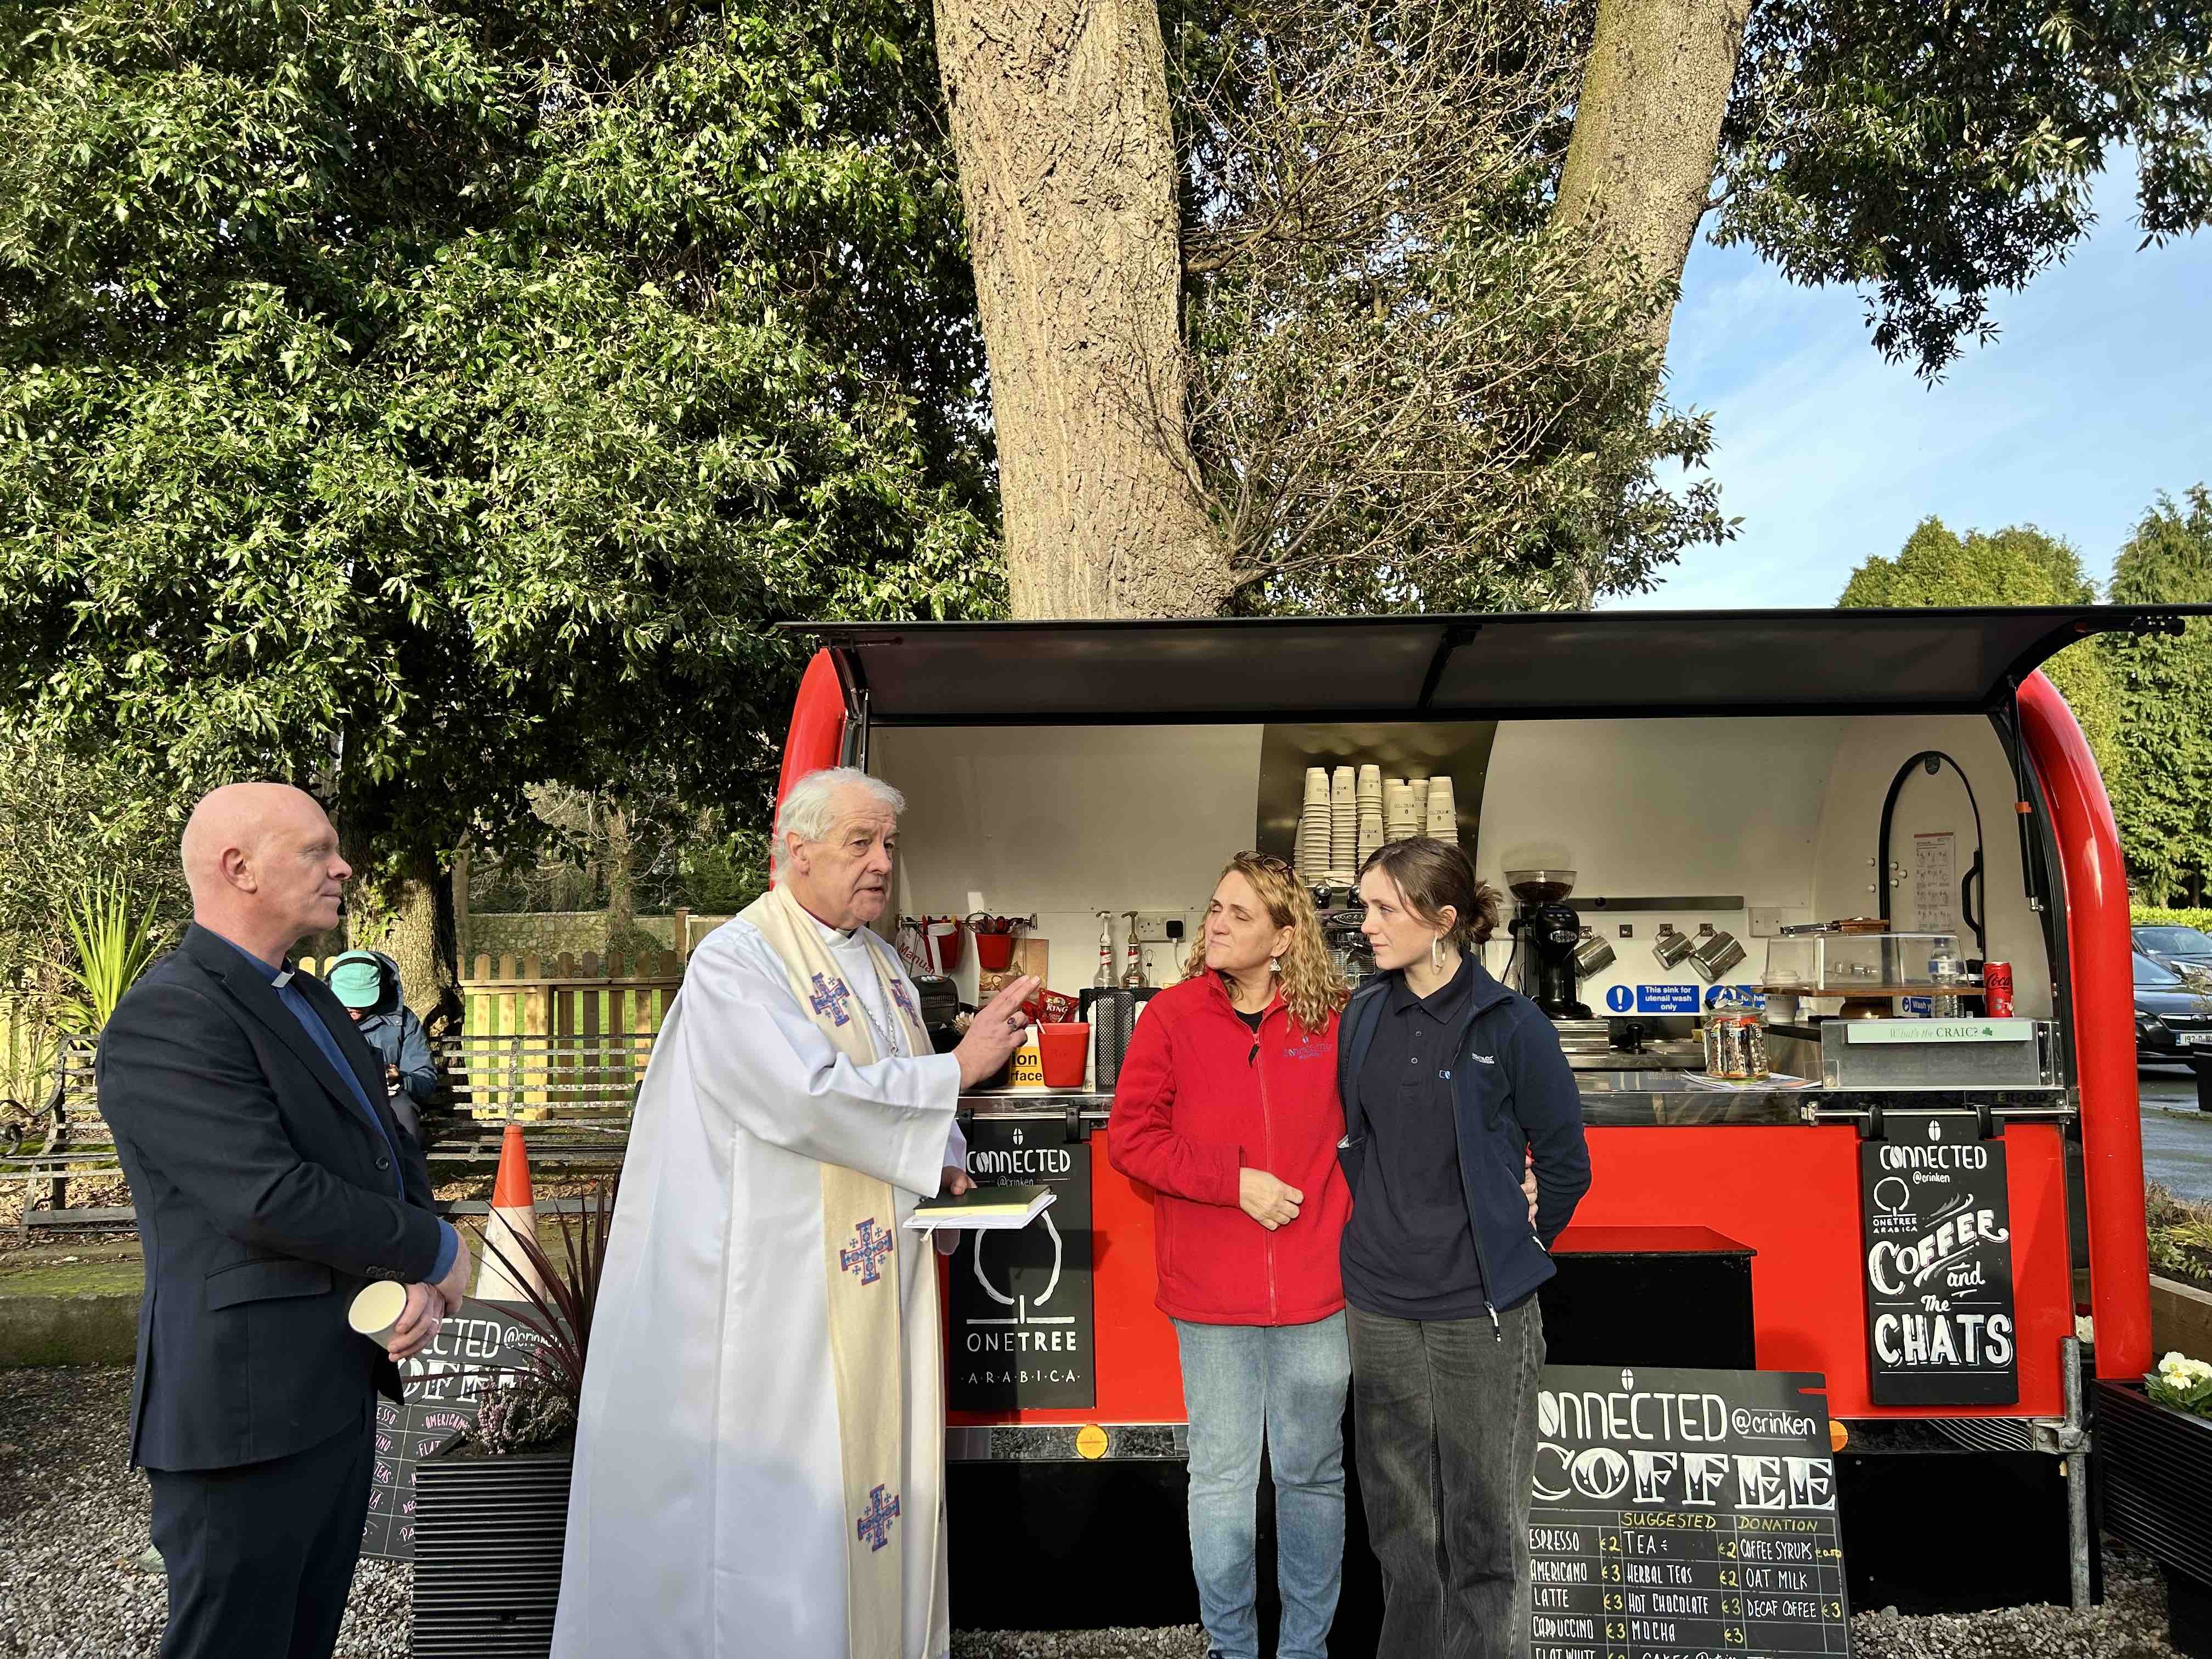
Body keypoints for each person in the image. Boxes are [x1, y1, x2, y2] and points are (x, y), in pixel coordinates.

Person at [552, 766, 1037, 1659]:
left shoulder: (884, 962)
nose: (883, 862)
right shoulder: (739, 960)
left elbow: (897, 1084)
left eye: (889, 843)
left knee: (872, 1487)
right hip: (778, 1299)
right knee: (785, 1518)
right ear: (796, 849)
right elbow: (803, 1097)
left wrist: (948, 1159)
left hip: (872, 1281)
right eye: (861, 842)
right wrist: (958, 1071)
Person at [97, 782, 472, 1659]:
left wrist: (407, 1282)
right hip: (241, 1412)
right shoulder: (169, 1015)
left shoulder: (305, 1000)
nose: (342, 866)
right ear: (239, 868)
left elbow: (384, 1151)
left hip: (334, 1387)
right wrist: (436, 1246)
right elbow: (262, 1195)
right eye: (316, 850)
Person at [1340, 837, 1592, 1659]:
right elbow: (1361, 1139)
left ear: (1443, 922)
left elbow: (1565, 1166)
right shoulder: (1364, 1014)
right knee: (1403, 1533)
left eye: (1384, 908)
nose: (1367, 924)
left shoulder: (1514, 1026)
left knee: (1486, 1534)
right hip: (1379, 1305)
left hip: (1482, 1313)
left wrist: (1518, 1240)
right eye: (1365, 905)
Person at [1108, 852, 1353, 1659]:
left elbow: (1392, 1124)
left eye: (1239, 915)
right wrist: (1231, 1181)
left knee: (1312, 1475)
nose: (1216, 924)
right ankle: (1232, 1647)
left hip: (1318, 1289)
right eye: (1214, 907)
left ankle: (1307, 1649)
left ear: (1285, 938)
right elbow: (1132, 1141)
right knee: (1221, 1477)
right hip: (1210, 1294)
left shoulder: (1336, 1019)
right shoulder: (1171, 1017)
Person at [326, 948, 437, 1144]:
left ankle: (406, 1174)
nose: (353, 1007)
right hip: (333, 1097)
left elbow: (425, 1079)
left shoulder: (404, 1021)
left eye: (361, 1000)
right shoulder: (316, 1015)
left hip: (388, 1100)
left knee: (403, 1114)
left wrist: (400, 1080)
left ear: (381, 989)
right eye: (347, 999)